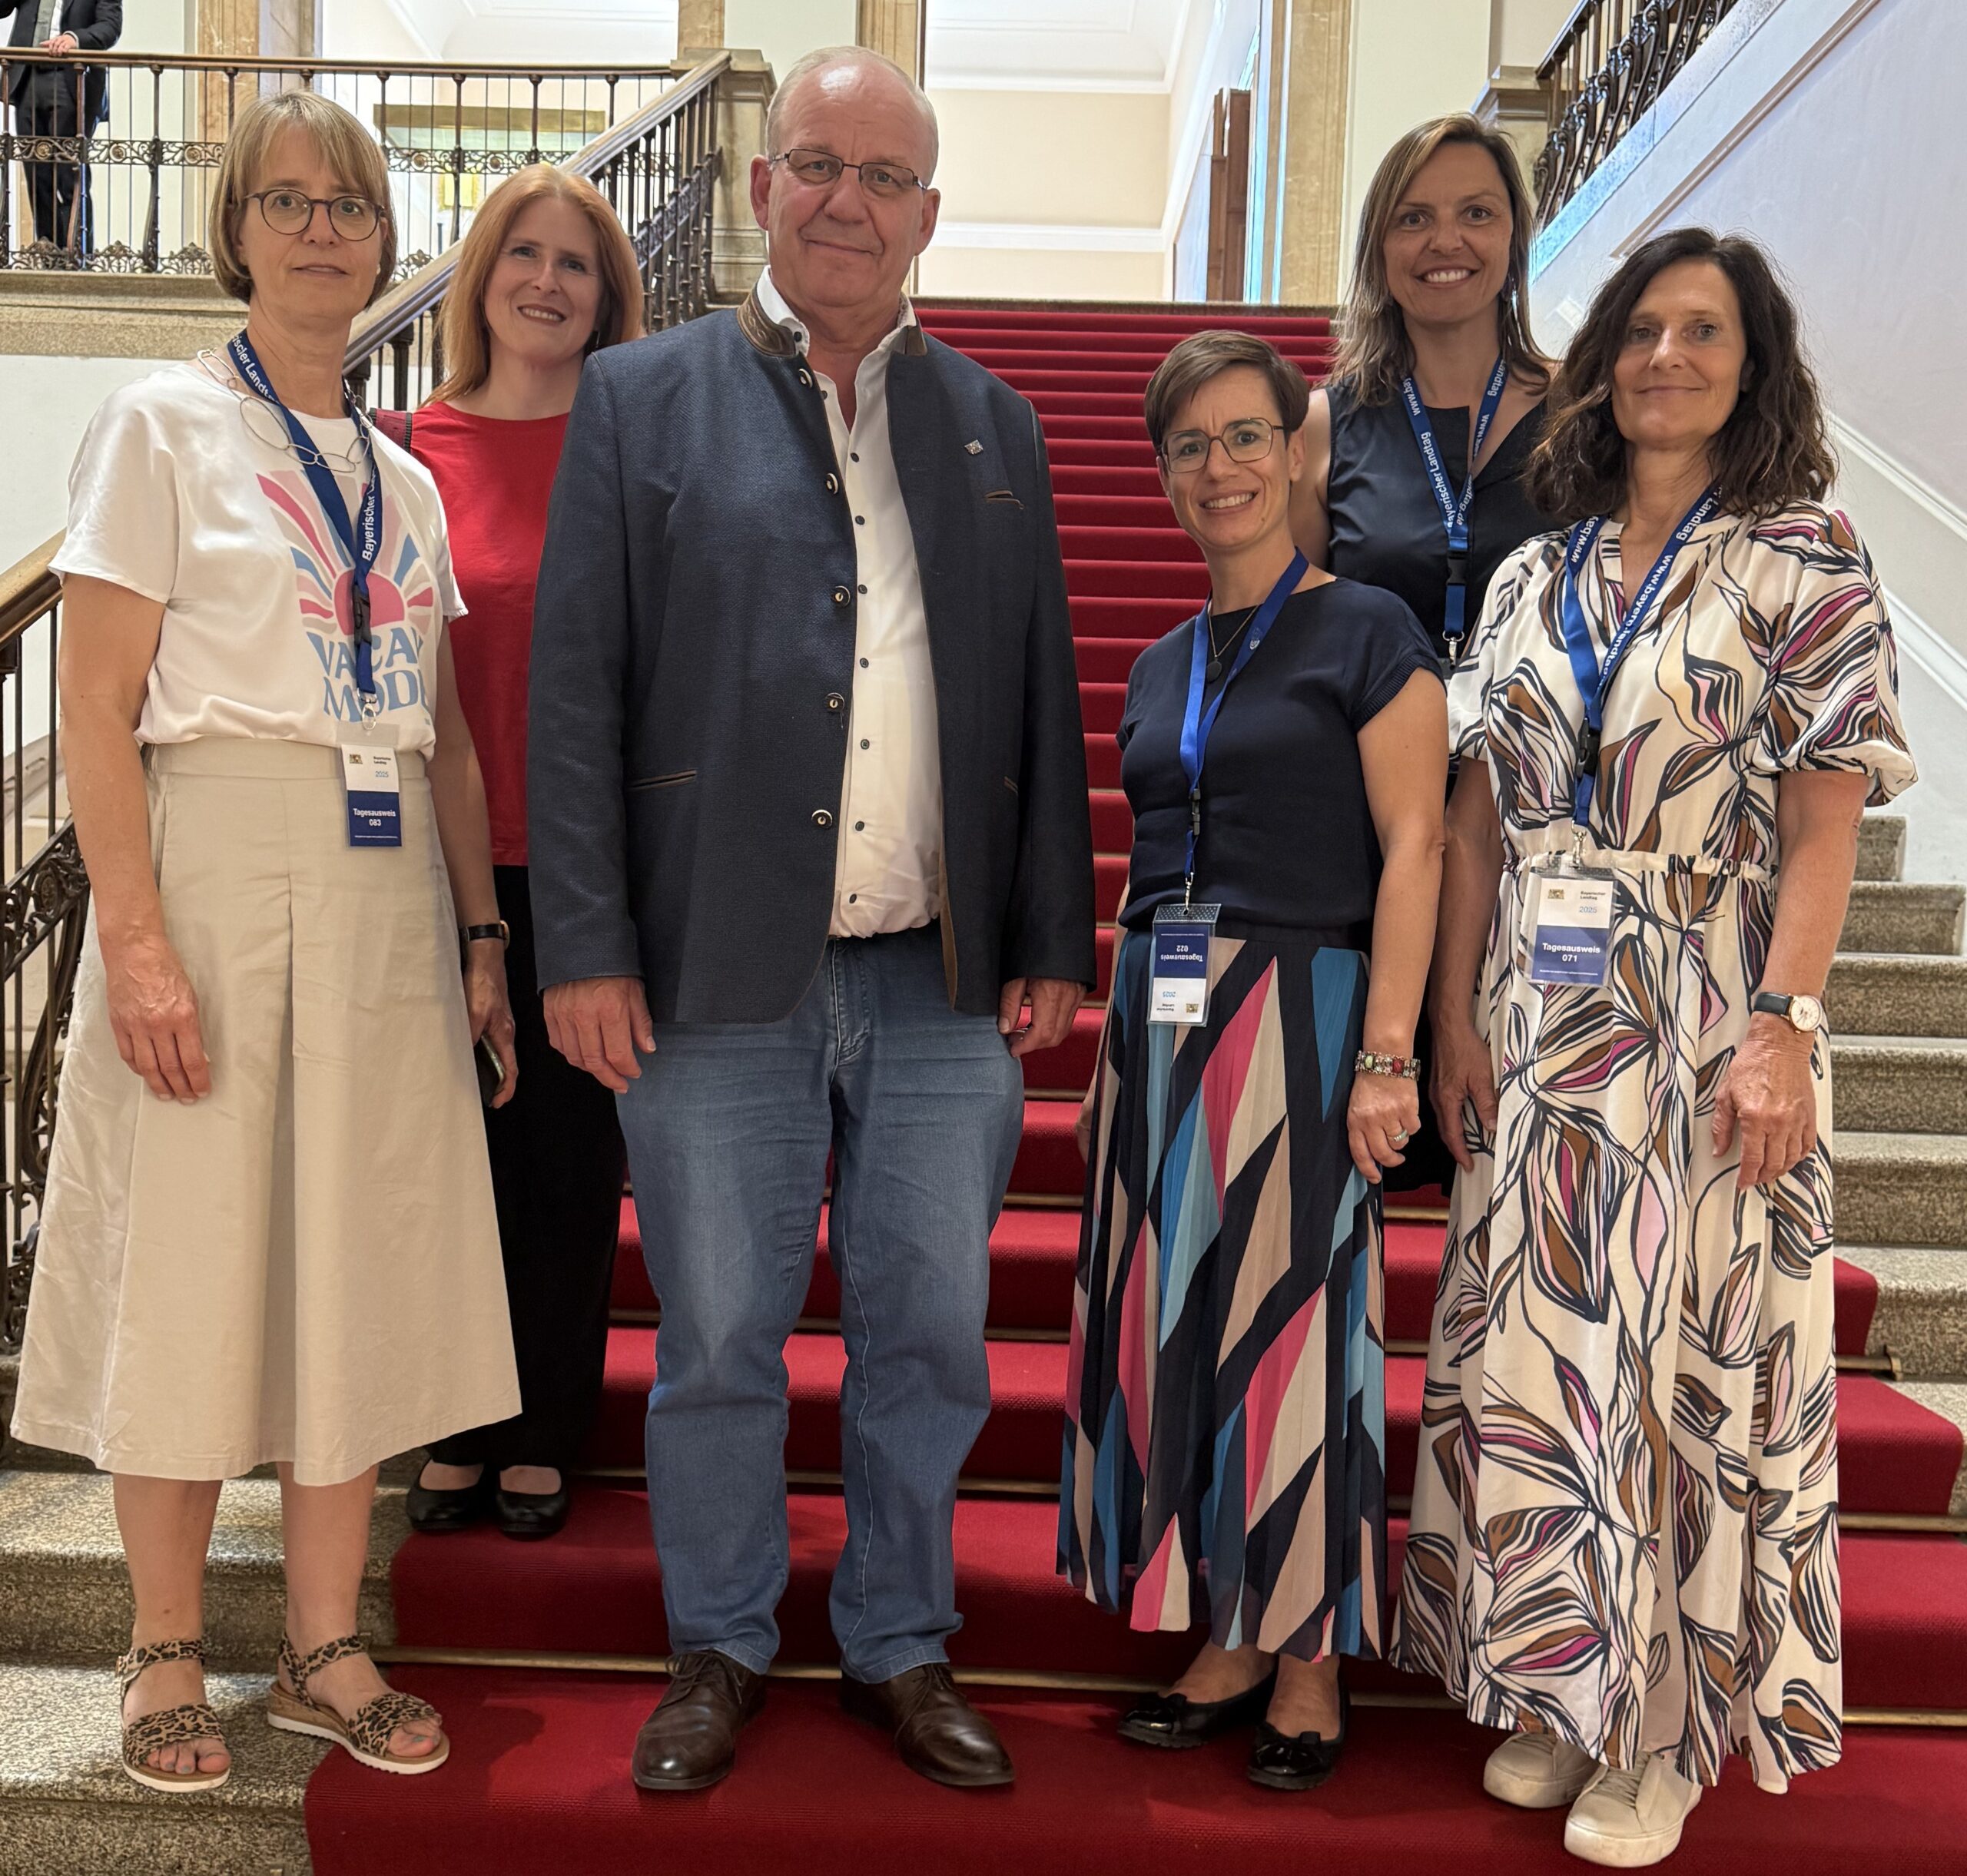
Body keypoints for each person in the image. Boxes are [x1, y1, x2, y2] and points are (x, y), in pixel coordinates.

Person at [528, 45, 1094, 1795]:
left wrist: (1051, 934)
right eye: (817, 164)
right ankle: (716, 1636)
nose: (847, 199)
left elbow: (1035, 688)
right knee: (711, 1332)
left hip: (934, 979)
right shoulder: (642, 399)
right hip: (710, 971)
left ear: (929, 213)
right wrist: (585, 941)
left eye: (886, 175)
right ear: (764, 185)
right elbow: (575, 693)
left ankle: (899, 1635)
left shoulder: (994, 422)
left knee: (927, 1328)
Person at [9, 88, 522, 1791]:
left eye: (351, 205)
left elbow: (441, 738)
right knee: (196, 1252)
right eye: (289, 201)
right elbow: (94, 711)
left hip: (380, 889)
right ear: (236, 232)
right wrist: (137, 946)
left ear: (386, 244)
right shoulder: (159, 426)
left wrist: (477, 938)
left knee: (357, 1257)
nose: (322, 228)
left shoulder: (403, 479)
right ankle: (165, 1650)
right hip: (216, 863)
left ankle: (321, 1641)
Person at [1391, 228, 1916, 1867]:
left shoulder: (1803, 560)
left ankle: (1671, 1721)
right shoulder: (1529, 578)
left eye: (1701, 333)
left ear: (1749, 363)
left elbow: (1821, 835)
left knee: (1679, 1360)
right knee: (1549, 1361)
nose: (1664, 358)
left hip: (1702, 1011)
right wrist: (1454, 1018)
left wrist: (1783, 1027)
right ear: (1600, 360)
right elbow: (1474, 827)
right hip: (1543, 1031)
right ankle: (1567, 1684)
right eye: (1638, 330)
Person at [1060, 331, 1447, 1791]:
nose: (1214, 467)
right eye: (1187, 447)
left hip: (1307, 1002)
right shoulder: (1165, 662)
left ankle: (1308, 1661)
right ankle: (1222, 1624)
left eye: (1242, 437)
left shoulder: (1369, 630)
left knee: (1295, 1338)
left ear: (1300, 452)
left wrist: (1390, 1052)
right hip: (1162, 1011)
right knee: (1176, 1324)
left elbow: (1414, 844)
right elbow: (1158, 851)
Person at [373, 166, 643, 1544]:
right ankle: (453, 1421)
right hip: (423, 859)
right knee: (442, 1157)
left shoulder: (633, 443)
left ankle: (544, 1424)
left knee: (561, 1155)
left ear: (608, 297)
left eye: (576, 263)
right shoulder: (403, 448)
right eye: (522, 254)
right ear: (480, 276)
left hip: (583, 860)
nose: (547, 280)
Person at [1291, 114, 1557, 1200]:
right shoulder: (1325, 425)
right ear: (1378, 247)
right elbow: (1294, 644)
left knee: (1519, 1182)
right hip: (1369, 837)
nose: (1446, 241)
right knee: (1349, 1172)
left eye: (1476, 212)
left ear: (1513, 239)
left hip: (1536, 834)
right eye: (1415, 217)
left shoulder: (1589, 417)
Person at [2, 0, 121, 261]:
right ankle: (49, 256)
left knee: (71, 176)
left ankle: (77, 257)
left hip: (71, 79)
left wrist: (75, 38)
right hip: (26, 77)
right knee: (37, 178)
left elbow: (110, 27)